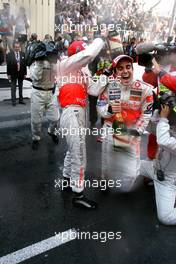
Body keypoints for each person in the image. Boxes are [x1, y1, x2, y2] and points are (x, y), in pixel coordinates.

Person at [57, 37, 108, 209]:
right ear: (74, 55)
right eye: (81, 52)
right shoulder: (65, 65)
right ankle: (78, 194)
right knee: (79, 153)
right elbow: (88, 55)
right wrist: (102, 38)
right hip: (71, 111)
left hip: (81, 112)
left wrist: (105, 76)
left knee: (74, 150)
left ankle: (66, 179)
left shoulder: (82, 72)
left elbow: (94, 90)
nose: (84, 58)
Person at [97, 55, 153, 192]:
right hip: (111, 128)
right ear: (115, 72)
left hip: (131, 130)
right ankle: (104, 180)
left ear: (133, 69)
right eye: (120, 68)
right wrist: (109, 110)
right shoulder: (108, 86)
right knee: (107, 166)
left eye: (128, 67)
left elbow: (146, 114)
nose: (125, 71)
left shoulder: (144, 89)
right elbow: (101, 109)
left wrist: (137, 131)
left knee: (130, 179)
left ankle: (148, 170)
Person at [140, 105, 176, 225]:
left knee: (166, 217)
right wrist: (156, 115)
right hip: (155, 168)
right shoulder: (172, 125)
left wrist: (164, 119)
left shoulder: (167, 125)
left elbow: (163, 141)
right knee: (129, 165)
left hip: (168, 179)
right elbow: (150, 129)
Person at [30, 55, 59, 150]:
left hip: (51, 93)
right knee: (36, 120)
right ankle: (36, 138)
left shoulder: (54, 62)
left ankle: (51, 131)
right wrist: (39, 63)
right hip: (38, 93)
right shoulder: (35, 62)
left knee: (55, 118)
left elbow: (58, 74)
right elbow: (35, 77)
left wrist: (54, 62)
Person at [6, 41, 27, 106]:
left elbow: (24, 65)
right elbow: (8, 65)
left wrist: (25, 73)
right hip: (13, 74)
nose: (17, 48)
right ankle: (14, 101)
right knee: (13, 88)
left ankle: (21, 100)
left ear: (20, 47)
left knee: (21, 87)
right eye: (16, 47)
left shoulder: (23, 54)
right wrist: (8, 74)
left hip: (21, 74)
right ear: (13, 47)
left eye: (18, 47)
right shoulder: (9, 54)